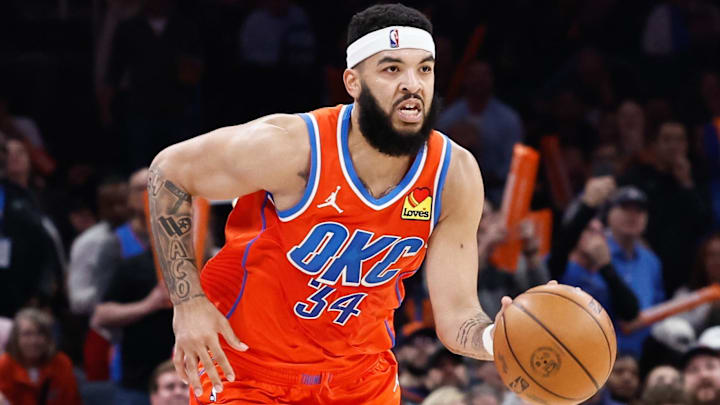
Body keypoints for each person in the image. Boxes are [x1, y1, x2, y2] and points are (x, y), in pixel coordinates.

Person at [147, 4, 516, 404]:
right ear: (352, 82)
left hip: (359, 378)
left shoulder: (454, 174)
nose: (413, 84)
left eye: (424, 69)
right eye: (392, 69)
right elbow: (168, 173)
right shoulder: (292, 148)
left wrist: (500, 338)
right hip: (248, 368)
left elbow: (457, 316)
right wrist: (188, 304)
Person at [0, 308, 82, 405]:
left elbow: (72, 401)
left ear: (48, 338)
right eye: (27, 334)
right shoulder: (4, 366)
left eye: (40, 334)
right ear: (16, 338)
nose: (34, 341)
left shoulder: (61, 363)